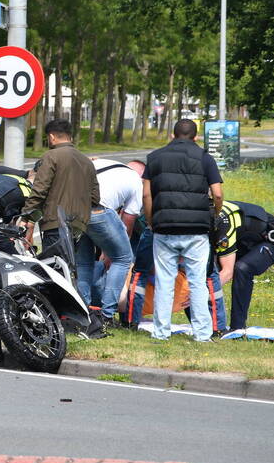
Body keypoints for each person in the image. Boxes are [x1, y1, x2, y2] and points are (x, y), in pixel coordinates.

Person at [142, 119, 223, 342]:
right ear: (196, 137)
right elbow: (217, 194)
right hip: (196, 230)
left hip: (164, 228)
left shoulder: (154, 158)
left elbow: (147, 195)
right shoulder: (205, 158)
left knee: (165, 282)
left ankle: (161, 333)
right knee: (197, 282)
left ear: (172, 135)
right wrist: (214, 215)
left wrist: (151, 220)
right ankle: (202, 334)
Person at [20, 119, 100, 265]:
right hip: (79, 225)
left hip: (55, 222)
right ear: (70, 136)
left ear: (51, 137)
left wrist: (26, 216)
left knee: (53, 269)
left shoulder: (51, 156)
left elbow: (40, 190)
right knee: (68, 268)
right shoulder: (87, 161)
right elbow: (95, 198)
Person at [77, 159, 141, 327]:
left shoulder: (103, 163)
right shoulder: (136, 181)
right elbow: (128, 221)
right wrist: (111, 253)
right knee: (123, 259)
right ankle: (107, 316)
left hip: (72, 210)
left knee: (84, 263)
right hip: (98, 209)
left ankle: (83, 313)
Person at [213, 200, 274, 331]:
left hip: (272, 240)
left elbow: (227, 272)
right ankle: (207, 323)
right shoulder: (206, 218)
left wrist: (199, 294)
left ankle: (237, 328)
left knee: (242, 269)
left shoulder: (225, 220)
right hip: (244, 241)